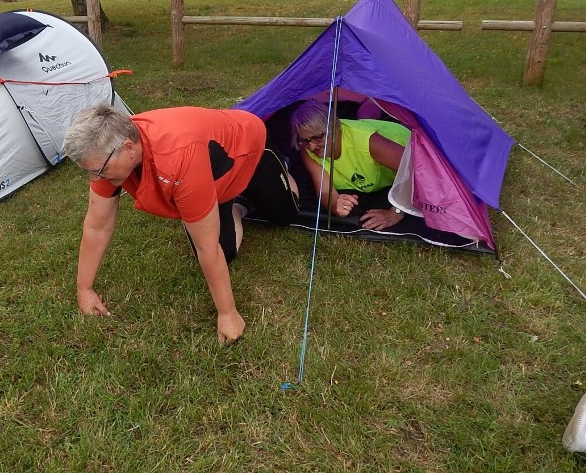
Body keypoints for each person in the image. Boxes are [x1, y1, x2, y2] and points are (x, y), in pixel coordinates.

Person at [63, 103, 299, 345]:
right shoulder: (108, 159)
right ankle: (237, 204)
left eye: (99, 171)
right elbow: (97, 226)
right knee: (224, 252)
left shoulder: (179, 157)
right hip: (213, 178)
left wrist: (228, 314)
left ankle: (284, 165)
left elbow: (207, 248)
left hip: (250, 151)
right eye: (90, 172)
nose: (95, 179)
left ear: (128, 149)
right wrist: (84, 289)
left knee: (285, 216)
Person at [290, 100, 409, 231]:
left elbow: (414, 170)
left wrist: (397, 211)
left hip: (403, 143)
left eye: (318, 137)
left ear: (334, 127)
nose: (312, 146)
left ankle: (377, 101)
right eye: (305, 140)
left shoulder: (367, 141)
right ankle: (369, 108)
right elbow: (324, 191)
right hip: (366, 146)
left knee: (365, 125)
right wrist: (335, 204)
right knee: (364, 120)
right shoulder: (306, 147)